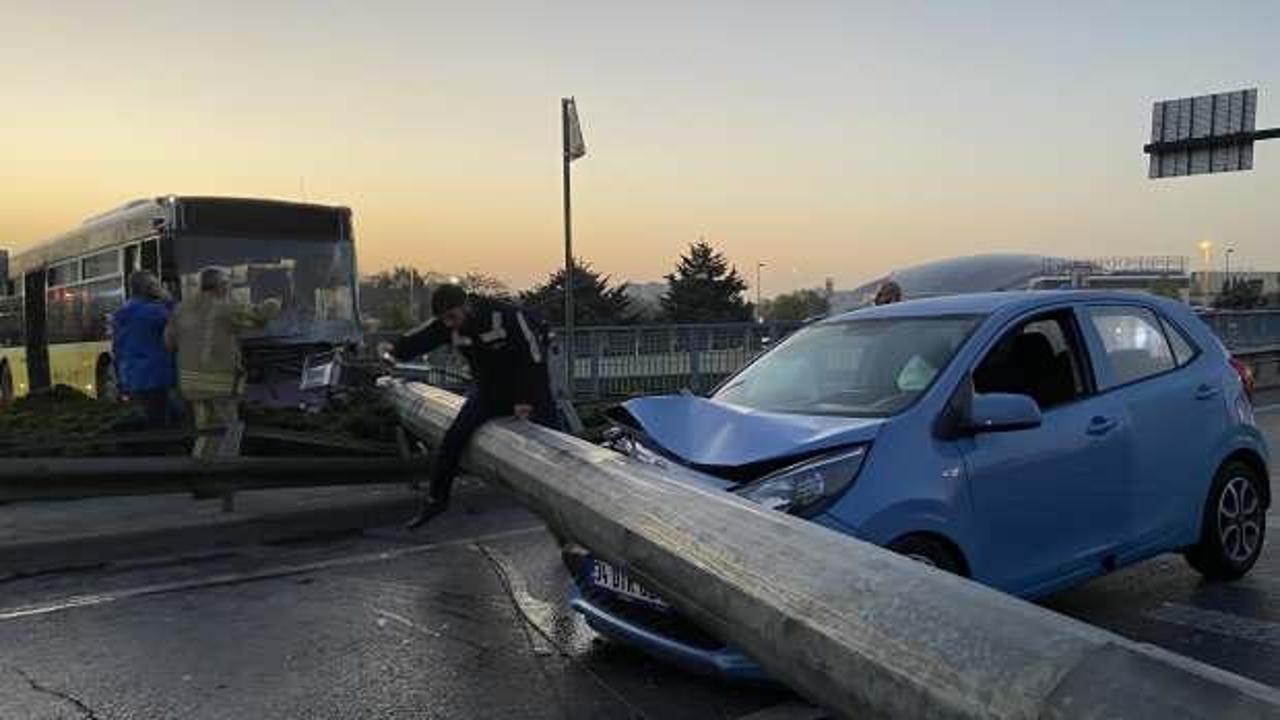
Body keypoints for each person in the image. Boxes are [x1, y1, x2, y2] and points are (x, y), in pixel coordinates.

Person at [388, 283, 558, 529]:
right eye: (444, 320)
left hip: (530, 389)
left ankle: (568, 517)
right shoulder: (448, 324)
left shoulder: (508, 316)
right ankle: (437, 500)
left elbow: (533, 359)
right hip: (490, 391)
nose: (449, 324)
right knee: (453, 440)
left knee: (558, 445)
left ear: (466, 306)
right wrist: (393, 352)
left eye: (452, 317)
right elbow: (421, 338)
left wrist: (525, 399)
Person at [165, 267, 280, 459]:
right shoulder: (225, 307)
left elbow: (168, 342)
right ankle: (223, 471)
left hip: (190, 381)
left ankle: (202, 466)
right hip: (217, 381)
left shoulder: (180, 308)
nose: (230, 287)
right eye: (229, 284)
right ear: (221, 286)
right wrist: (274, 302)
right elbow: (257, 317)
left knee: (205, 429)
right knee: (227, 428)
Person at [111, 271, 177, 428]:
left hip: (131, 376)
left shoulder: (121, 312)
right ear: (150, 288)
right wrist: (169, 299)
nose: (160, 287)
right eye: (156, 285)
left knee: (147, 423)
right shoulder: (156, 311)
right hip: (156, 376)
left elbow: (117, 349)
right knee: (164, 424)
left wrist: (121, 382)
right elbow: (179, 323)